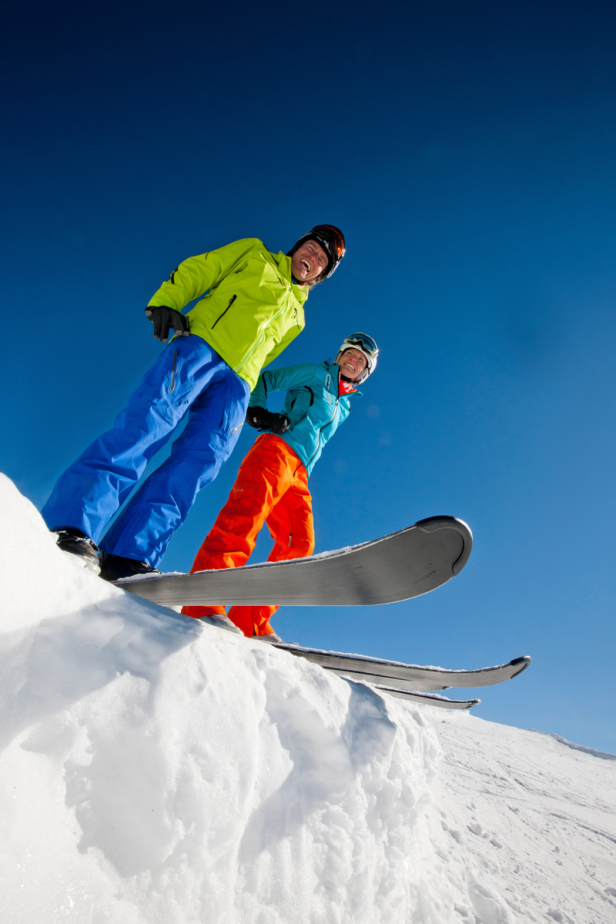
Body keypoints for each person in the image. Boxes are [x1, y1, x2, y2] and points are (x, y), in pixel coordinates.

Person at [41, 226, 346, 580]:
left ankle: (128, 554)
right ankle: (71, 525)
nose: (311, 258)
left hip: (237, 385)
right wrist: (167, 300)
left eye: (321, 261)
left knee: (197, 465)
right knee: (145, 427)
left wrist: (252, 401)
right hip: (200, 348)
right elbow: (204, 267)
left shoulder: (298, 318)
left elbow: (266, 358)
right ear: (297, 247)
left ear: (321, 276)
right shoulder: (254, 254)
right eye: (310, 248)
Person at [181, 332, 379, 642]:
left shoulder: (346, 406)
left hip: (300, 473)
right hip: (276, 451)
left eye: (360, 360)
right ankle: (202, 602)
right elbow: (268, 378)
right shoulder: (317, 374)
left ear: (365, 372)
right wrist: (259, 410)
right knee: (245, 518)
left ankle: (251, 621)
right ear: (339, 356)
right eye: (349, 354)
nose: (352, 361)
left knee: (299, 543)